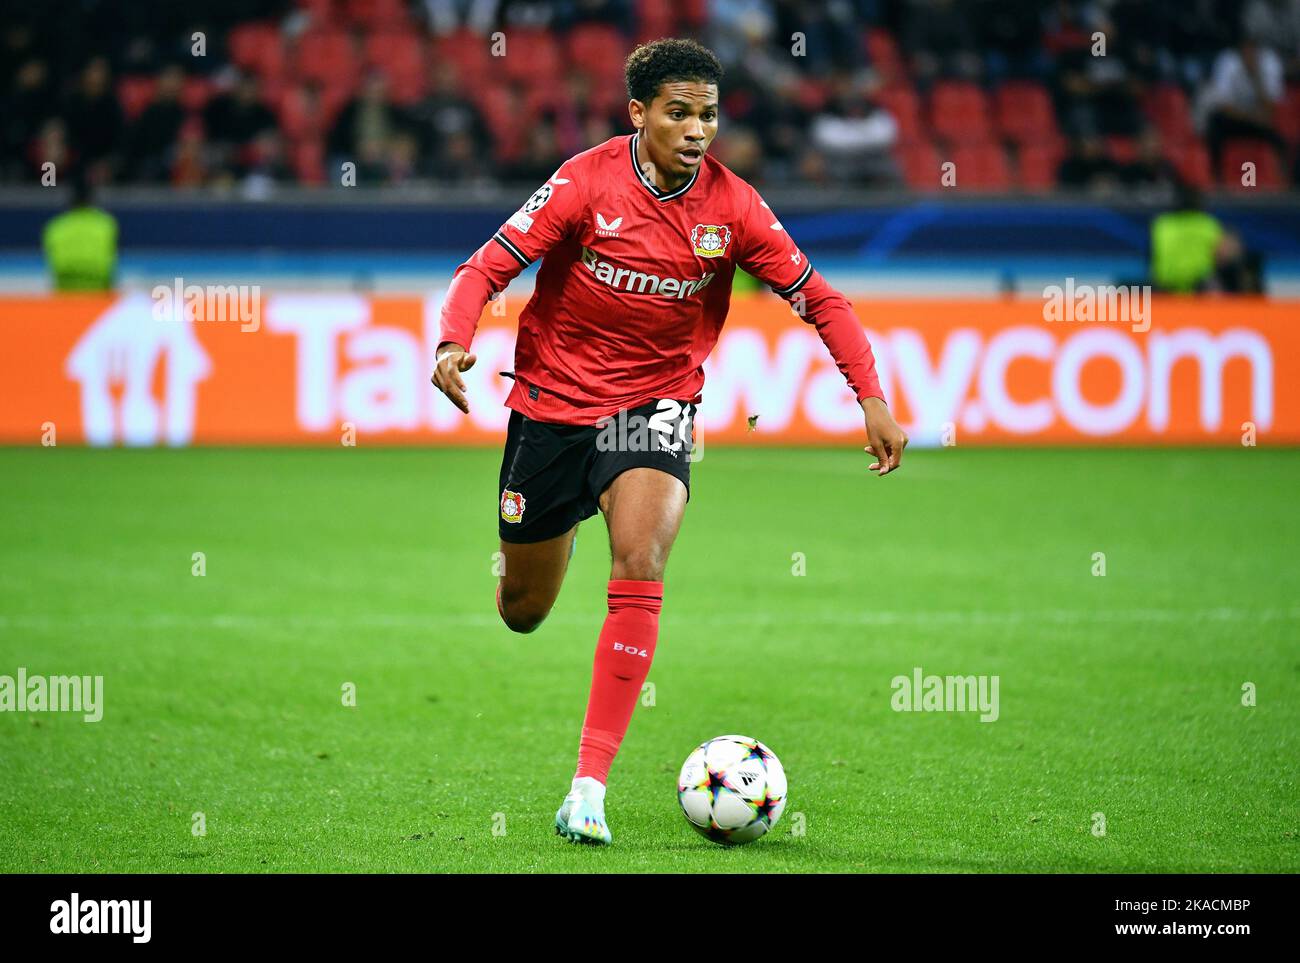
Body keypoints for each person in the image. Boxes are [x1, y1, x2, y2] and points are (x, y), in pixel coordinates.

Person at [430, 39, 907, 845]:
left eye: (709, 115)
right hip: (551, 405)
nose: (696, 130)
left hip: (654, 405)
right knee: (523, 610)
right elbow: (484, 268)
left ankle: (588, 786)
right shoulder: (583, 184)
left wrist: (873, 396)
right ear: (639, 114)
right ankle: (567, 522)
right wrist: (450, 341)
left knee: (643, 557)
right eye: (679, 113)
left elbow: (823, 300)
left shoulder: (736, 209)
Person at [42, 175, 118, 292]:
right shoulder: (106, 224)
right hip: (98, 297)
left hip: (64, 299)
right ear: (92, 198)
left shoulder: (55, 226)